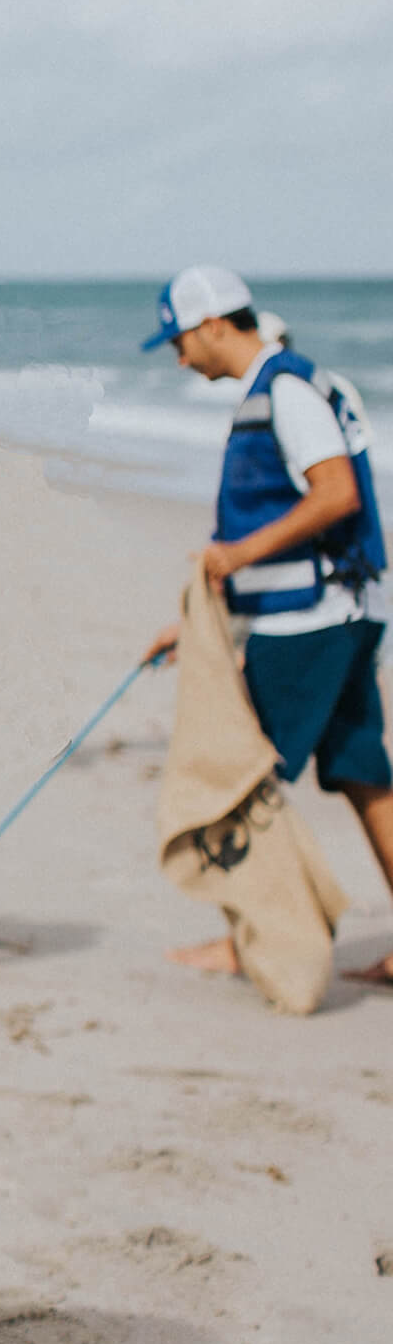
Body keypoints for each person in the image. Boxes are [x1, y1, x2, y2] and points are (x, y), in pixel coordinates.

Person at [140, 267, 393, 982]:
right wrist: (190, 626)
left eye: (181, 341)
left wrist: (236, 554)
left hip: (311, 623)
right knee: (362, 773)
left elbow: (337, 494)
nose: (180, 358)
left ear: (215, 324)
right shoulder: (297, 385)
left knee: (239, 777)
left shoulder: (285, 392)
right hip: (346, 614)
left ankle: (257, 941)